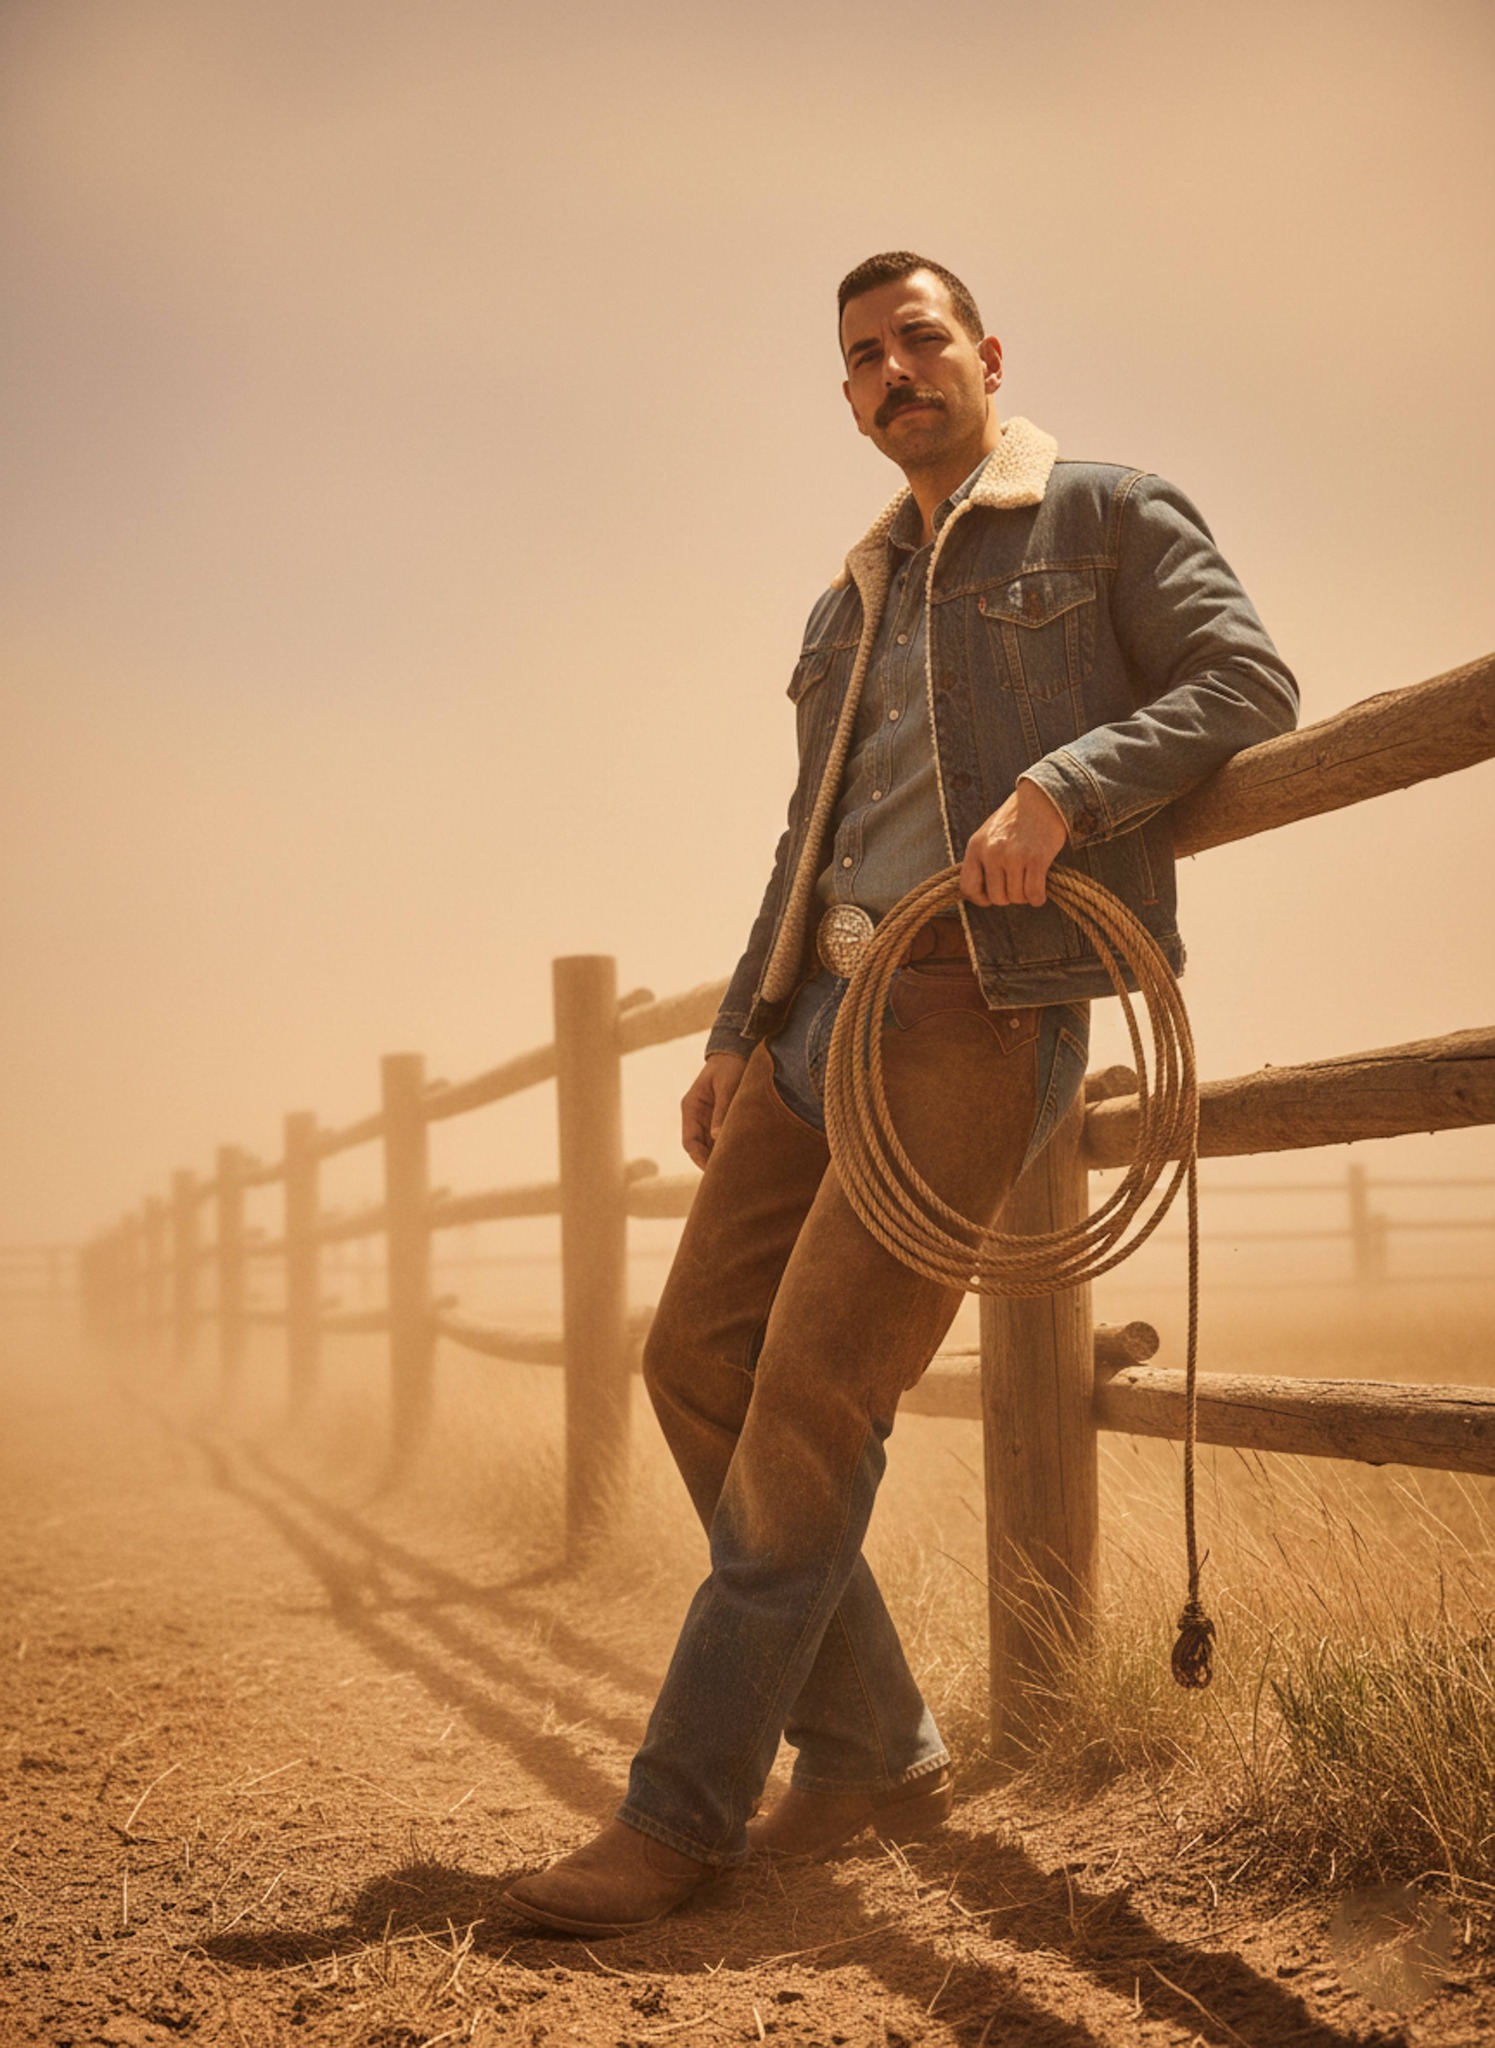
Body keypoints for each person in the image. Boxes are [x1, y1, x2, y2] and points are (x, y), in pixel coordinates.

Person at [503, 251, 1298, 1936]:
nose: (891, 372)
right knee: (692, 1360)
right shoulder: (843, 601)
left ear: (986, 353)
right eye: (861, 357)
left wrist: (1060, 792)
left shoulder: (1103, 511)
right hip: (819, 1021)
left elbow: (1247, 683)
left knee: (803, 1395)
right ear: (848, 394)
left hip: (975, 1006)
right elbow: (806, 838)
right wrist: (737, 1029)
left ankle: (681, 1815)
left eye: (918, 339)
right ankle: (868, 1744)